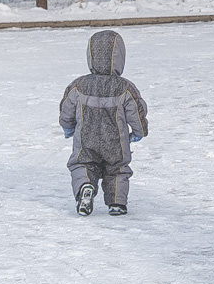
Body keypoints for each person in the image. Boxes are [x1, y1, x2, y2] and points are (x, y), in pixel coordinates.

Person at [59, 30, 149, 217]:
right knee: (117, 168)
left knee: (81, 164)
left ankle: (85, 185)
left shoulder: (78, 85)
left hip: (85, 138)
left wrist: (68, 127)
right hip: (116, 140)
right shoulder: (125, 87)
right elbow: (136, 111)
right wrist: (139, 131)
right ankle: (117, 202)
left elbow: (66, 108)